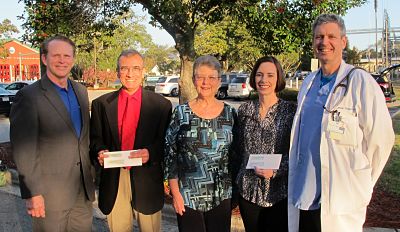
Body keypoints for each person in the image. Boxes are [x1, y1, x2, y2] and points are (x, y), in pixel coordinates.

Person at [288, 14, 395, 232]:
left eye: (331, 36)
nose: (323, 42)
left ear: (343, 42)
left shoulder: (360, 81)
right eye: (318, 37)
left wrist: (363, 181)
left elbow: (381, 140)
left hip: (342, 193)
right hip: (306, 191)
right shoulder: (308, 82)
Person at [10, 35, 95, 231]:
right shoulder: (29, 96)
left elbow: (82, 138)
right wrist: (33, 193)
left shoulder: (81, 91)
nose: (62, 60)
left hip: (82, 191)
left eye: (67, 55)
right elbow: (25, 150)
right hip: (50, 195)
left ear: (73, 59)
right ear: (44, 59)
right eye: (56, 55)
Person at [90, 49, 172, 232]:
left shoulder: (161, 105)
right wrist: (100, 151)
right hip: (114, 178)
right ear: (117, 72)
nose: (130, 73)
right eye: (124, 68)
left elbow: (167, 143)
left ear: (143, 71)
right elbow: (95, 138)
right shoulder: (101, 104)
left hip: (147, 179)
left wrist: (150, 152)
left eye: (136, 68)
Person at [164, 55, 236, 232]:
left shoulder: (230, 114)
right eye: (200, 77)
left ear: (219, 81)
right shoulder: (181, 113)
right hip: (187, 195)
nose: (206, 82)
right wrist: (175, 193)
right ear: (193, 80)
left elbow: (237, 155)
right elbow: (169, 154)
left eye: (211, 77)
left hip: (221, 195)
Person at [231, 56, 296, 232]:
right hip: (248, 191)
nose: (264, 80)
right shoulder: (245, 109)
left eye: (270, 75)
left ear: (278, 78)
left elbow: (298, 154)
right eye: (259, 75)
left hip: (278, 192)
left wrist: (277, 170)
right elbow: (238, 149)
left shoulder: (291, 111)